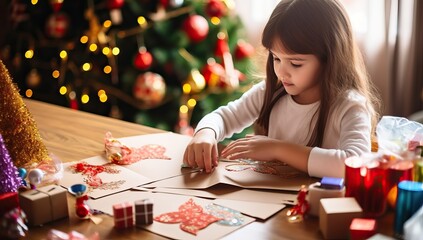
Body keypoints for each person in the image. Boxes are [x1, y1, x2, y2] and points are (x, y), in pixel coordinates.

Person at [183, 0, 380, 178]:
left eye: (295, 63)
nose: (281, 72)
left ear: (330, 59)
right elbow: (224, 117)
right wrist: (205, 132)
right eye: (276, 58)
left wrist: (277, 149)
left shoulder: (350, 106)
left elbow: (354, 165)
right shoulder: (271, 91)